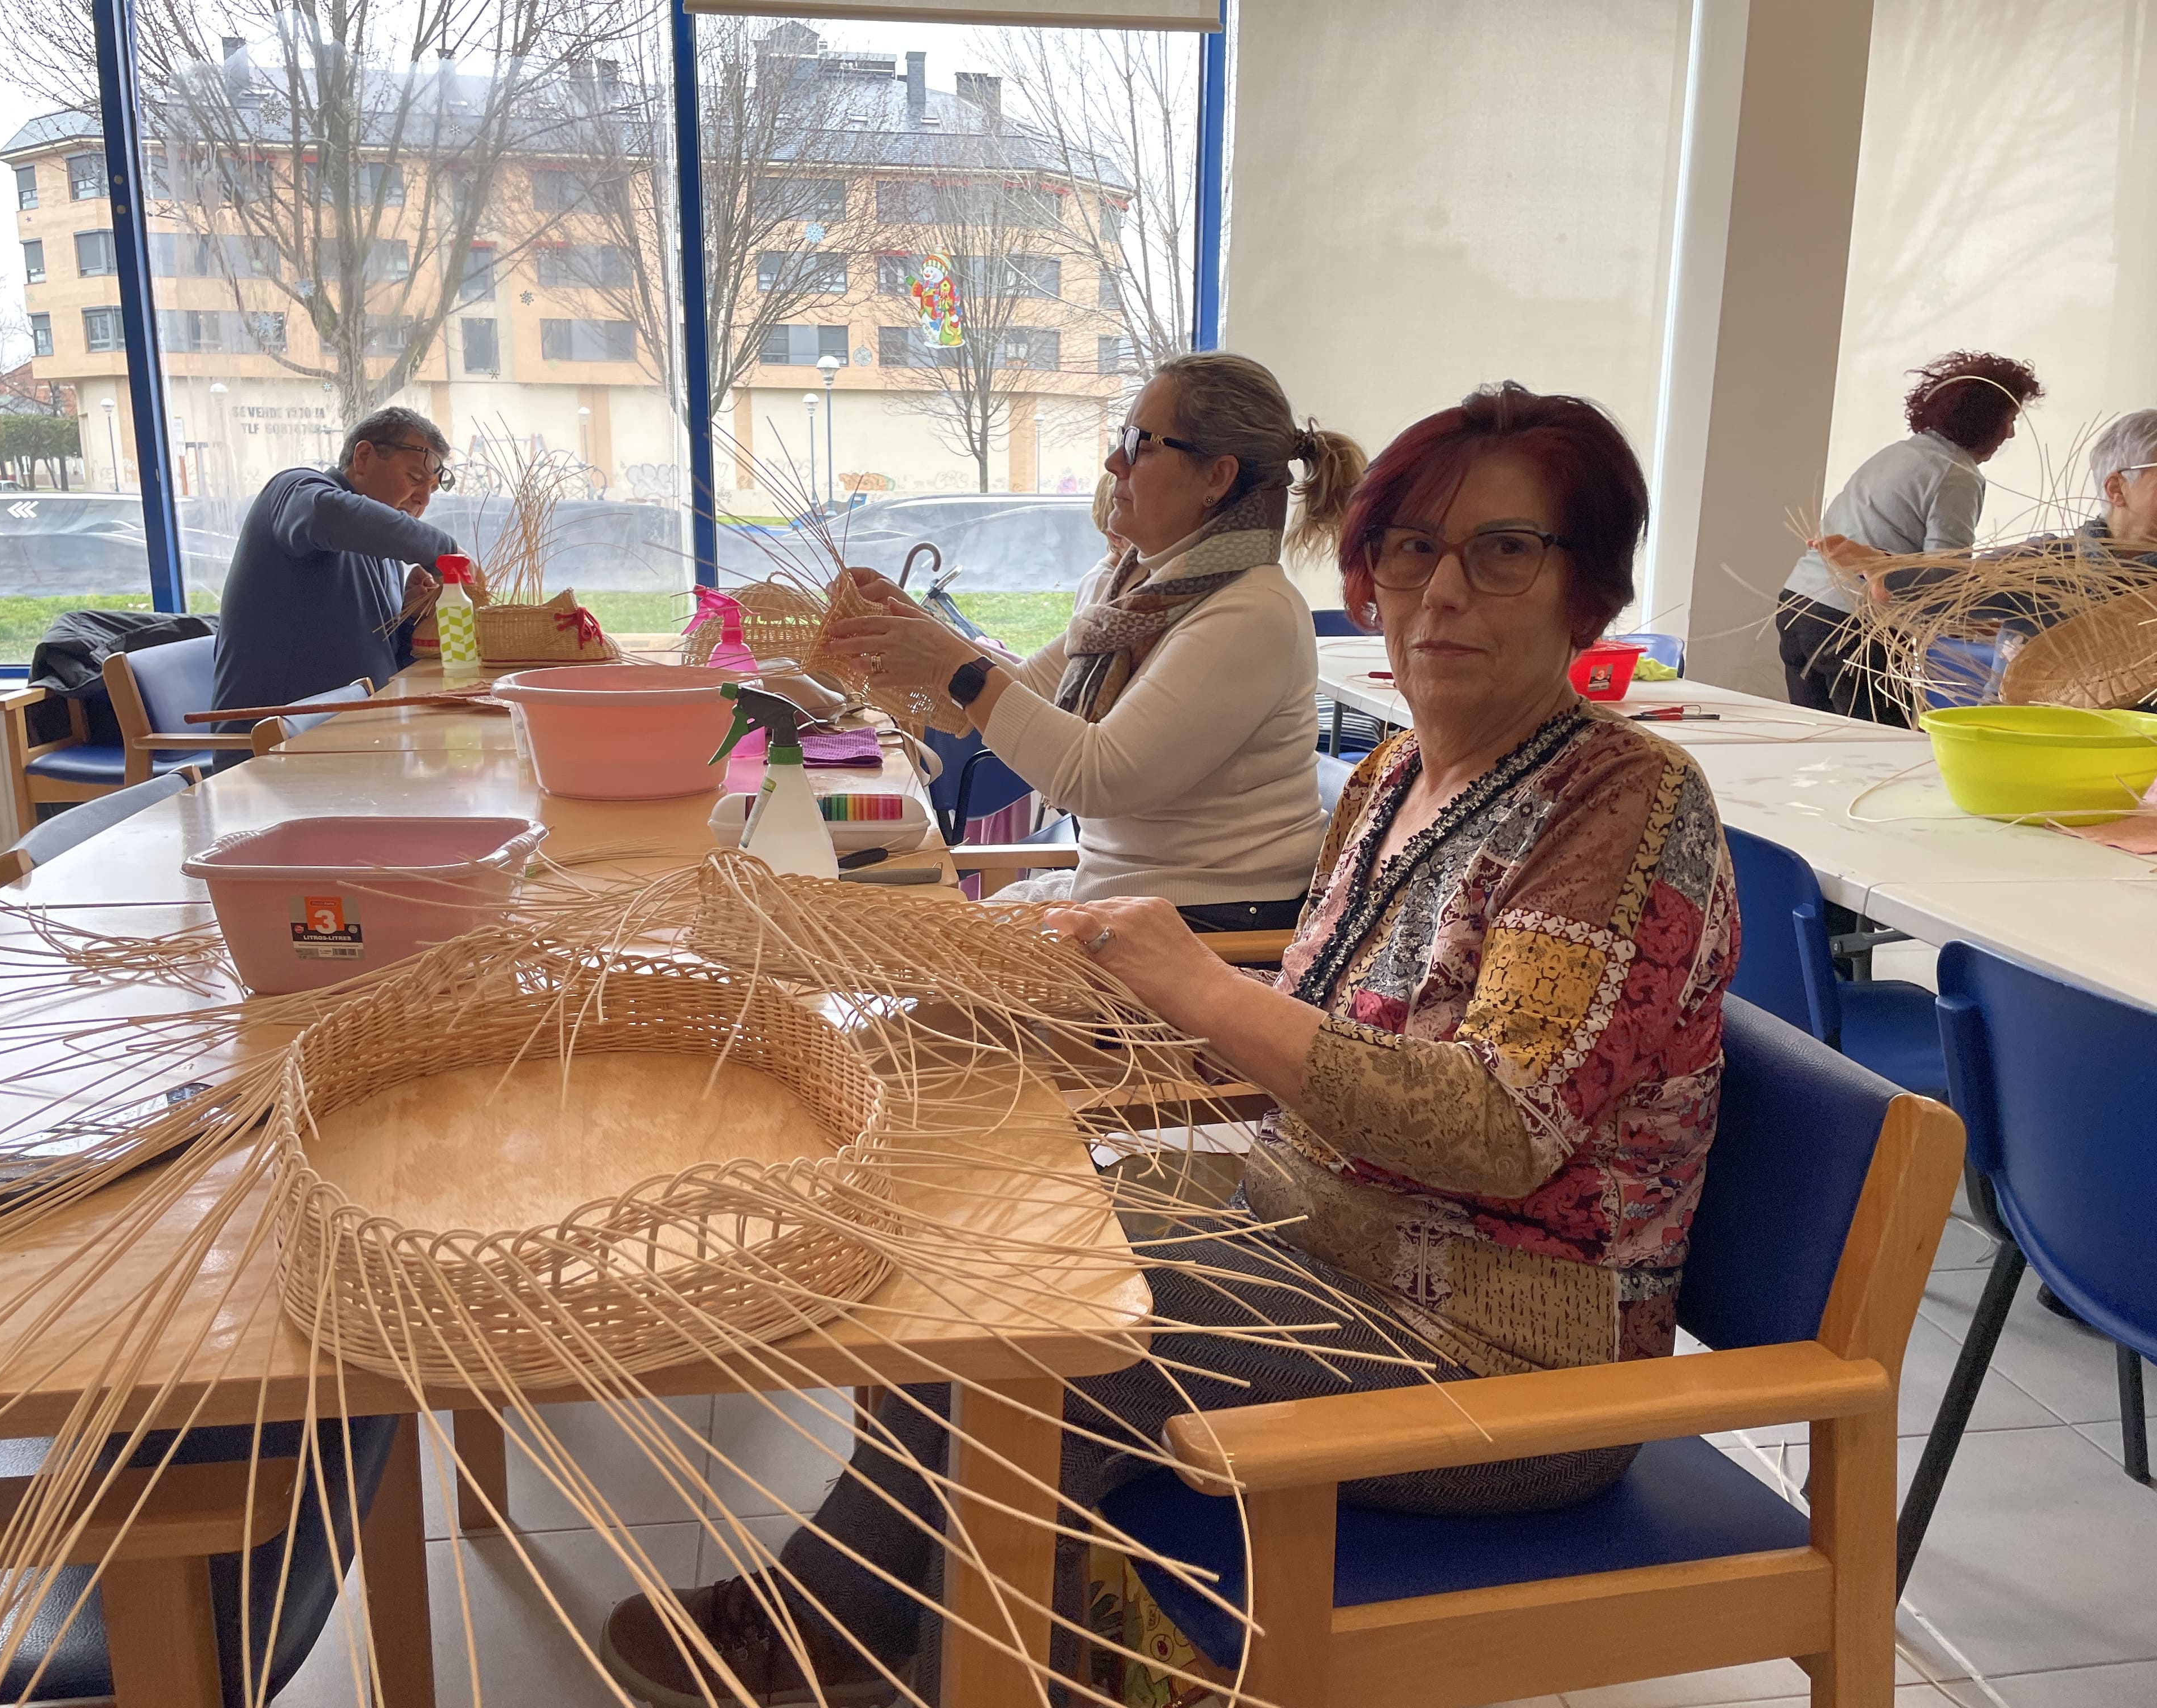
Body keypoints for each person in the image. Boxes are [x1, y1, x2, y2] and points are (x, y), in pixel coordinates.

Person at [599, 384, 1740, 1702]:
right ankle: (890, 1620)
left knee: (1044, 1319)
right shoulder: (1396, 774)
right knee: (974, 1222)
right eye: (1415, 549)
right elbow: (1330, 1022)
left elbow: (1499, 1130)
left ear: (1585, 589)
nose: (1444, 592)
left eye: (1505, 551)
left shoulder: (1621, 803)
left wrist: (1195, 990)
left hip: (1497, 1347)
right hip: (1318, 1227)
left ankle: (909, 1648)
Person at [816, 352, 1364, 934]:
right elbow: (1028, 692)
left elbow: (1093, 778)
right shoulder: (1134, 588)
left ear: (1217, 477)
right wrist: (922, 635)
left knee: (903, 983)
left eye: (1141, 443)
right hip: (1126, 904)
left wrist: (953, 667)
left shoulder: (1253, 614)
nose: (1112, 461)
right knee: (895, 954)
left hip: (1209, 931)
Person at [1777, 350, 2043, 722]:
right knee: (1882, 753)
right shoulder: (1957, 474)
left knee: (1818, 742)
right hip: (1858, 628)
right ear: (1985, 421)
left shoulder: (1896, 454)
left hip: (1798, 605)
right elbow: (1943, 578)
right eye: (2010, 419)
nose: (2011, 433)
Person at [211, 406, 462, 730]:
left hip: (363, 735)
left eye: (432, 490)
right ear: (364, 457)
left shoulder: (380, 549)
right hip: (275, 752)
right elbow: (327, 513)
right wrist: (447, 552)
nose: (422, 500)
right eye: (415, 479)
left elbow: (386, 664)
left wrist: (412, 616)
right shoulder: (295, 490)